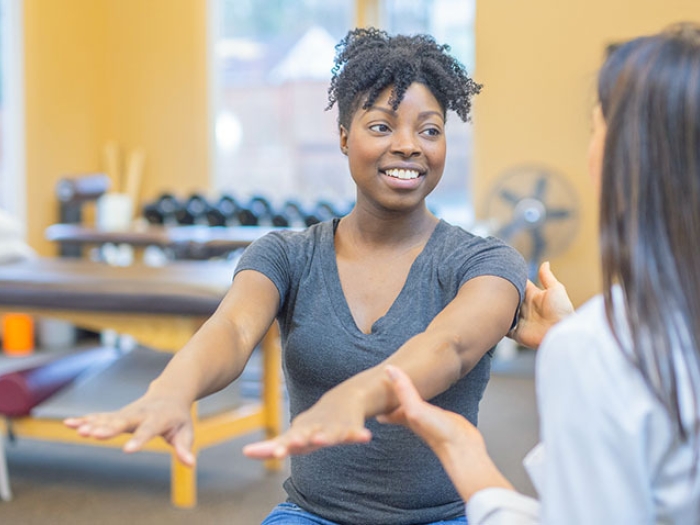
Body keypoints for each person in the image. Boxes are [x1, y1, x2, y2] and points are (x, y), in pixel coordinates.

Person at [65, 28, 527, 524]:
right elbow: (233, 328)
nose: (409, 145)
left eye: (430, 130)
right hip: (313, 514)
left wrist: (354, 396)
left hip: (444, 517)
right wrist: (172, 389)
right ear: (345, 137)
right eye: (381, 127)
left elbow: (449, 348)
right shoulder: (287, 255)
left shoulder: (486, 263)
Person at [379, 23, 700, 524]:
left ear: (625, 158)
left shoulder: (603, 348)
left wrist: (466, 455)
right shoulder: (602, 343)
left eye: (595, 130)